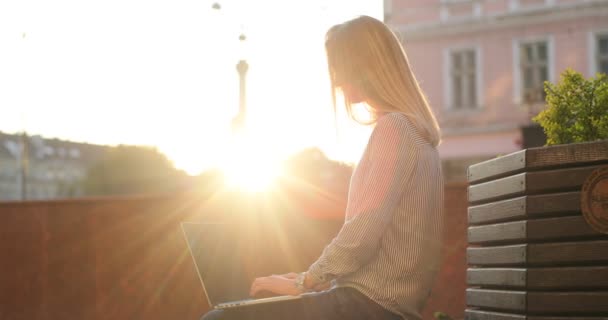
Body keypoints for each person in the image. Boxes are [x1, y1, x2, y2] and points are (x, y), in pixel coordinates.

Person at [202, 15, 444, 320]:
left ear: (367, 66)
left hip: (369, 306)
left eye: (341, 67)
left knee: (220, 318)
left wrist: (306, 281)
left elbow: (362, 233)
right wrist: (309, 279)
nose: (338, 80)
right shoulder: (419, 136)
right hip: (385, 305)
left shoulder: (393, 129)